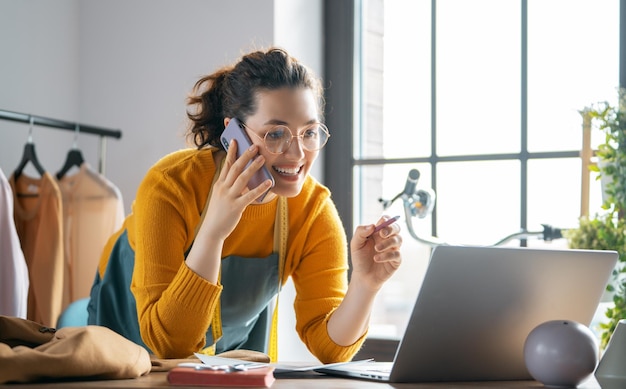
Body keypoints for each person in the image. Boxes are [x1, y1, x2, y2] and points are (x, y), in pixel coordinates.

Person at [87, 47, 403, 363]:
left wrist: (365, 285)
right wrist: (212, 232)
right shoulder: (170, 186)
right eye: (275, 134)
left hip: (224, 364)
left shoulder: (313, 210)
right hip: (126, 348)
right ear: (233, 132)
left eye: (308, 133)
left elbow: (329, 348)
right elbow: (168, 344)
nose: (296, 154)